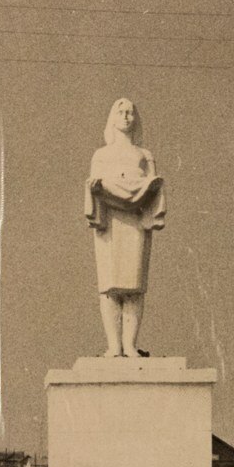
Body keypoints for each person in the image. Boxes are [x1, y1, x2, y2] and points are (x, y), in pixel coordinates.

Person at [85, 98, 166, 358]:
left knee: (134, 286)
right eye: (121, 112)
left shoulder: (144, 155)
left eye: (130, 112)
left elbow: (155, 188)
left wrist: (145, 191)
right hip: (110, 221)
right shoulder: (101, 155)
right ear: (112, 117)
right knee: (109, 287)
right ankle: (114, 346)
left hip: (136, 221)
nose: (126, 116)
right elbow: (93, 187)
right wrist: (99, 190)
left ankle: (130, 345)